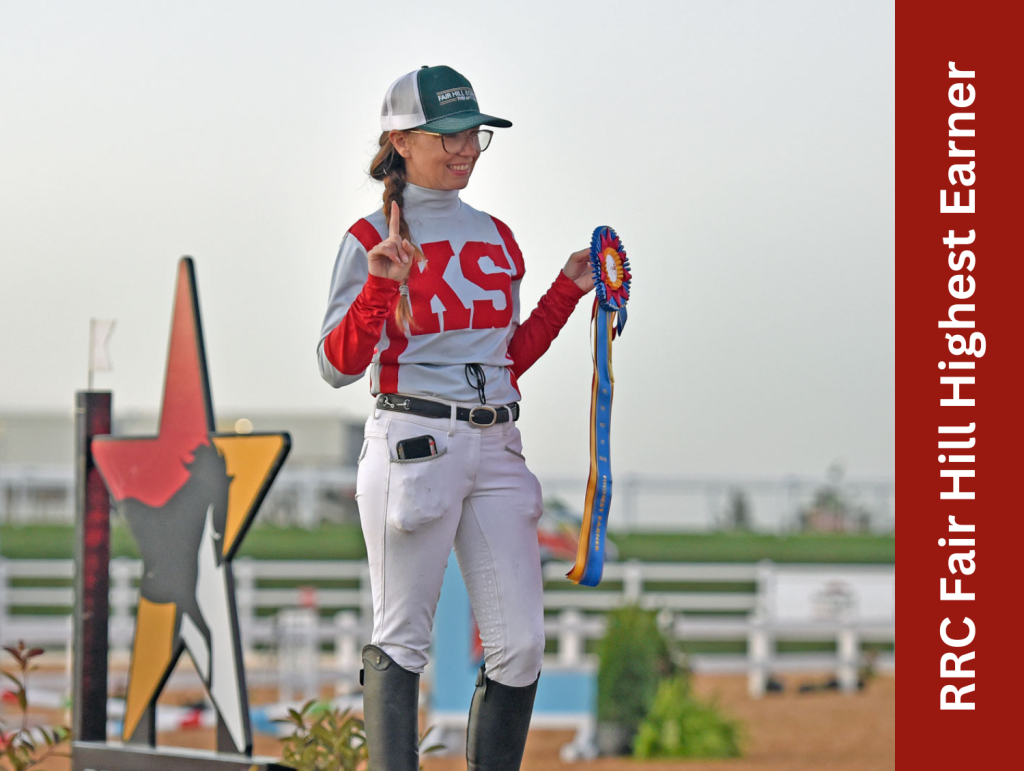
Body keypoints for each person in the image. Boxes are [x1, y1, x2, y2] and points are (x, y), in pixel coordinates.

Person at [318, 65, 594, 770]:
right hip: (412, 442)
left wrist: (567, 290)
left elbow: (505, 359)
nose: (466, 147)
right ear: (401, 140)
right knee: (401, 638)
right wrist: (379, 288)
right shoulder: (367, 236)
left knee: (521, 646)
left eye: (473, 132)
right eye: (447, 134)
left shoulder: (498, 236)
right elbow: (337, 364)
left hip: (497, 443)